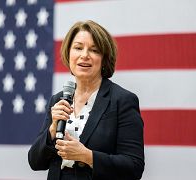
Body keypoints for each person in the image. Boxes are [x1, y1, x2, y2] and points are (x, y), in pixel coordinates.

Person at [28, 20, 144, 180]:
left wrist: (87, 156)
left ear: (104, 58)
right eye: (78, 48)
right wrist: (52, 130)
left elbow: (134, 167)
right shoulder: (58, 99)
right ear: (69, 53)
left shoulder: (122, 100)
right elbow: (35, 162)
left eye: (94, 50)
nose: (84, 55)